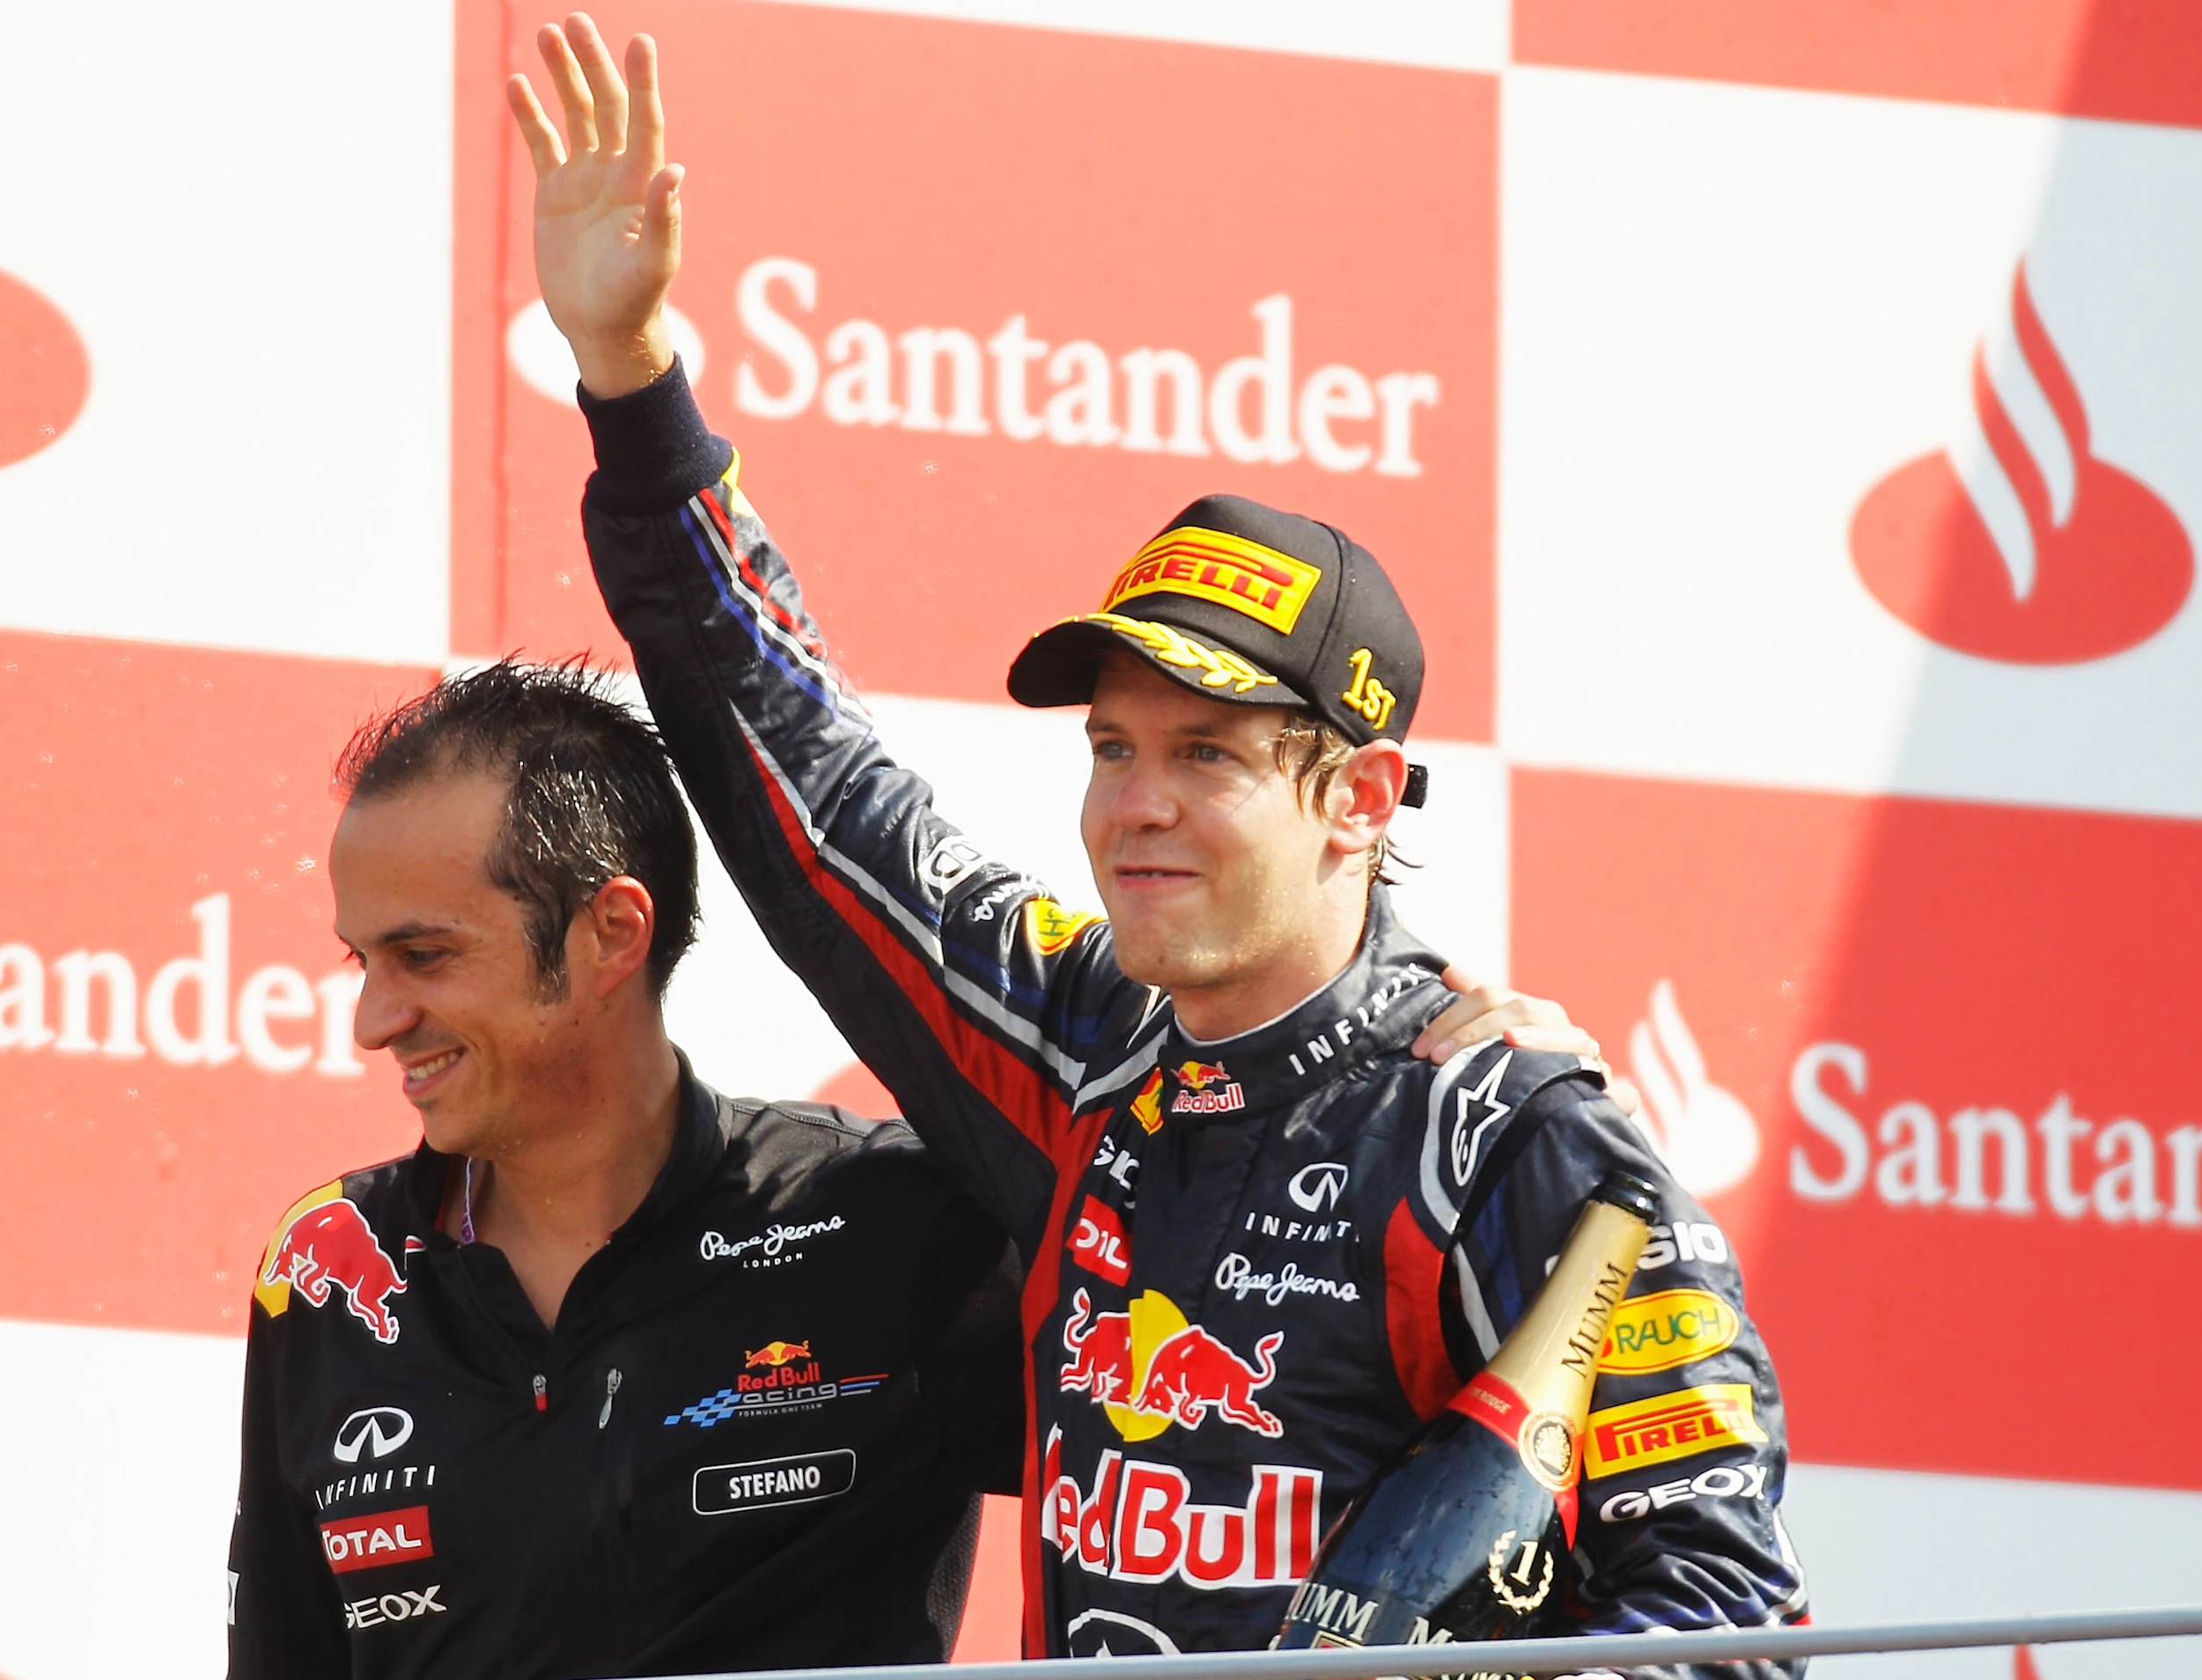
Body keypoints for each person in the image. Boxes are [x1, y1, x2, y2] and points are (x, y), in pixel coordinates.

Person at [510, 14, 1811, 1670]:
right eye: (1114, 748)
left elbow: (1731, 1623)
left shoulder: (1512, 1139)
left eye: (1206, 756)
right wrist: (634, 384)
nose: (1132, 805)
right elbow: (815, 790)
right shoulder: (1082, 1053)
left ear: (1358, 795)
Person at [225, 662, 1610, 1676]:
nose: (374, 1019)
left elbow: (1291, 1427)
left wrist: (1476, 1096)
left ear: (609, 934)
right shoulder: (334, 1274)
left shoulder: (893, 1228)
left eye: (425, 957)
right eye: (364, 961)